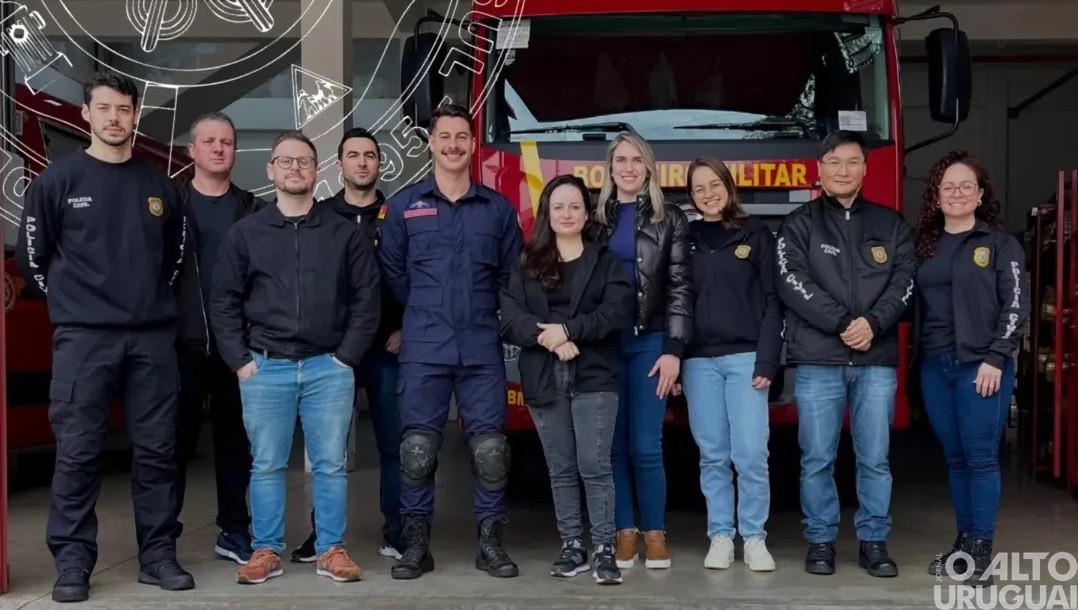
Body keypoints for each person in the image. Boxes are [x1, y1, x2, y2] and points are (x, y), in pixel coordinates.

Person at [15, 71, 195, 603]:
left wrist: (145, 304)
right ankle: (72, 564)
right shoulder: (57, 181)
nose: (115, 118)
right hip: (84, 339)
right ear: (86, 114)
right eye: (104, 108)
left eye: (123, 109)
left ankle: (158, 557)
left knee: (159, 451)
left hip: (151, 340)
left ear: (135, 115)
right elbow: (32, 259)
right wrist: (74, 307)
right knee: (77, 452)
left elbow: (176, 260)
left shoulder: (161, 187)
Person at [209, 130, 381, 585]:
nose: (295, 169)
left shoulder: (343, 234)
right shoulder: (246, 234)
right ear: (271, 170)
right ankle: (266, 550)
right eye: (285, 161)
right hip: (265, 367)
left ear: (317, 170)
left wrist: (346, 358)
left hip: (328, 367)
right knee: (266, 464)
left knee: (330, 465)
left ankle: (331, 550)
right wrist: (240, 360)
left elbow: (366, 299)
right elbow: (223, 300)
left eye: (303, 161)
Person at [378, 103, 523, 580]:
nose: (454, 145)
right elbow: (393, 273)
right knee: (417, 451)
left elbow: (510, 276)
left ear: (473, 143)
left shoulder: (497, 209)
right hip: (424, 345)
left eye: (462, 136)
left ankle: (490, 545)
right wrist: (425, 310)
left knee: (491, 452)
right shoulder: (404, 206)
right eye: (445, 136)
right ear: (431, 142)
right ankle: (416, 547)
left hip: (481, 345)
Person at [774, 130, 915, 577]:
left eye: (853, 161)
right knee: (817, 459)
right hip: (819, 360)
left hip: (875, 360)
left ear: (865, 169)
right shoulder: (799, 224)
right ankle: (820, 542)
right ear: (820, 169)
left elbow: (905, 282)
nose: (843, 170)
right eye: (834, 162)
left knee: (875, 458)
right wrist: (842, 323)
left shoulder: (891, 224)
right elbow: (791, 281)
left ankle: (874, 542)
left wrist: (873, 324)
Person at [499, 174, 632, 584]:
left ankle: (605, 549)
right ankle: (573, 546)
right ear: (547, 213)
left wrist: (570, 331)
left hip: (595, 374)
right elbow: (511, 318)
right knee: (560, 467)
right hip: (544, 376)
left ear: (587, 213)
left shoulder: (605, 261)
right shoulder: (526, 263)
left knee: (595, 465)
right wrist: (551, 339)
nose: (567, 214)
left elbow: (616, 312)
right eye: (558, 207)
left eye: (575, 206)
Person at [290, 127, 405, 563]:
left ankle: (396, 531)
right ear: (339, 165)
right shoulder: (319, 215)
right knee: (328, 451)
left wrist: (407, 327)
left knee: (394, 445)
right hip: (333, 353)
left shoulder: (399, 214)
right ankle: (322, 535)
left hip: (388, 349)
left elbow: (418, 276)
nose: (362, 162)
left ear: (380, 164)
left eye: (369, 155)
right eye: (353, 155)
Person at [913, 151, 1028, 586]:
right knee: (956, 458)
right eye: (948, 187)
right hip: (935, 366)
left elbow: (1016, 305)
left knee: (980, 459)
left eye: (966, 186)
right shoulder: (924, 245)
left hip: (981, 367)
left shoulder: (999, 244)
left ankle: (981, 551)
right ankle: (964, 545)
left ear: (980, 195)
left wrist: (997, 357)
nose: (957, 193)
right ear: (936, 196)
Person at [588, 131, 691, 570]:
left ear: (648, 167)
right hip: (606, 346)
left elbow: (681, 288)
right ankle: (624, 531)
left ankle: (655, 532)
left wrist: (674, 349)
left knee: (646, 445)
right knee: (612, 445)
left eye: (636, 160)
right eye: (620, 160)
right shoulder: (596, 220)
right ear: (610, 168)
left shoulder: (672, 218)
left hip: (651, 343)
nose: (628, 168)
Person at [679, 157, 783, 572]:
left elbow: (774, 301)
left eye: (714, 184)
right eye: (699, 188)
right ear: (691, 196)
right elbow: (676, 302)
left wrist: (768, 359)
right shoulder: (685, 238)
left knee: (752, 453)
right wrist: (675, 356)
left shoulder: (755, 233)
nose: (708, 194)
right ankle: (721, 535)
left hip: (746, 359)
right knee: (713, 455)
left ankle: (754, 537)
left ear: (728, 185)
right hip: (698, 362)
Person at [173, 111, 264, 565]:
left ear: (235, 151)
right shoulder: (169, 204)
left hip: (236, 348)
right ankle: (161, 537)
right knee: (171, 444)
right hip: (179, 344)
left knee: (235, 444)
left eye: (226, 141)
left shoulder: (253, 209)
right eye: (208, 141)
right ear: (192, 150)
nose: (218, 148)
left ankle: (233, 529)